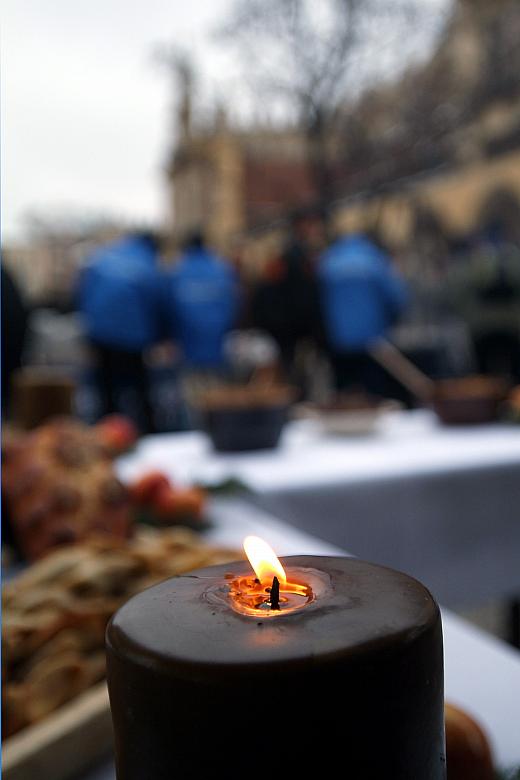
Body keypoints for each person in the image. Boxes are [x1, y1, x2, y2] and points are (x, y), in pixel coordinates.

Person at [77, 231, 164, 432]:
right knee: (140, 390)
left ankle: (104, 437)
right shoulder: (147, 262)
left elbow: (82, 292)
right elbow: (157, 301)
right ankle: (148, 433)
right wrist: (159, 336)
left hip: (100, 334)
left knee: (105, 391)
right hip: (133, 337)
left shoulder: (102, 256)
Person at [317, 232, 408, 395]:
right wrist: (392, 322)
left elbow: (318, 301)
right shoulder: (373, 259)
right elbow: (395, 297)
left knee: (345, 393)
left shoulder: (328, 261)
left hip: (338, 340)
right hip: (372, 339)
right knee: (375, 392)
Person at [251, 206, 325, 393]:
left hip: (294, 330)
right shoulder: (293, 258)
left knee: (297, 377)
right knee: (294, 378)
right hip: (292, 330)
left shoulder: (300, 255)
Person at [164, 231, 240, 377]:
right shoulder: (221, 268)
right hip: (218, 341)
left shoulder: (177, 270)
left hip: (188, 342)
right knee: (217, 388)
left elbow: (169, 306)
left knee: (192, 387)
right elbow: (234, 301)